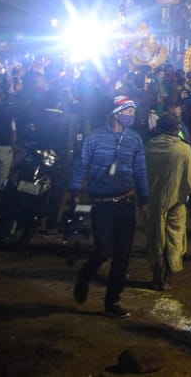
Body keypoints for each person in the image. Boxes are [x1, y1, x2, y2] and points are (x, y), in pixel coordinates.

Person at [70, 96, 149, 319]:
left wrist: (144, 200)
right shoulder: (94, 137)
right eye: (129, 112)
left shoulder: (135, 139)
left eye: (133, 113)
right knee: (104, 250)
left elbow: (141, 170)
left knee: (123, 255)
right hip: (102, 204)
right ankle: (85, 275)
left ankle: (112, 301)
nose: (132, 117)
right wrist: (75, 191)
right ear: (117, 113)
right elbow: (81, 164)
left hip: (126, 203)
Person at [143, 107, 191, 291]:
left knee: (155, 239)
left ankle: (156, 274)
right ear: (176, 128)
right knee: (174, 237)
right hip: (177, 201)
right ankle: (167, 278)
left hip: (153, 201)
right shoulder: (183, 149)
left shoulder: (148, 146)